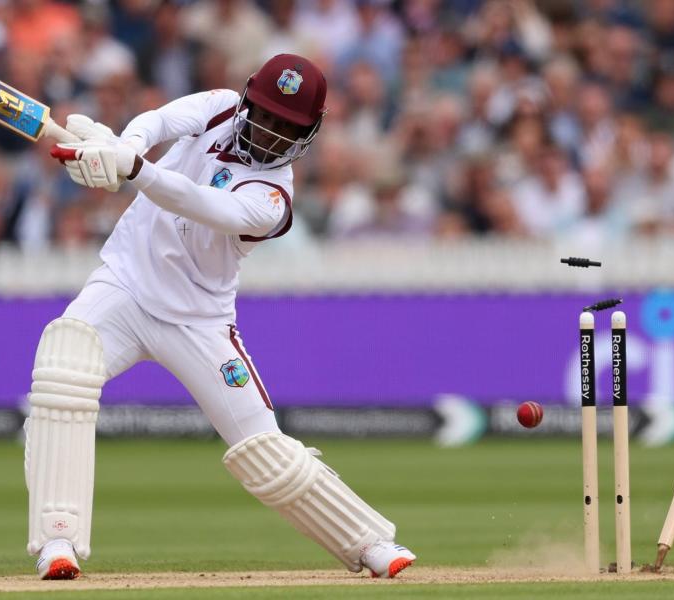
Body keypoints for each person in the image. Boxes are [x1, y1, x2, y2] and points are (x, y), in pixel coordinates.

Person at [24, 54, 416, 581]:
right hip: (123, 285)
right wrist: (126, 147)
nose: (272, 132)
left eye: (288, 127)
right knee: (61, 371)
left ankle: (370, 542)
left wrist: (133, 168)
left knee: (263, 449)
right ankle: (57, 544)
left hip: (199, 321)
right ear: (248, 98)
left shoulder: (273, 198)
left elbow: (197, 203)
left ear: (309, 133)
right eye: (266, 114)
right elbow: (159, 120)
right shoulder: (220, 108)